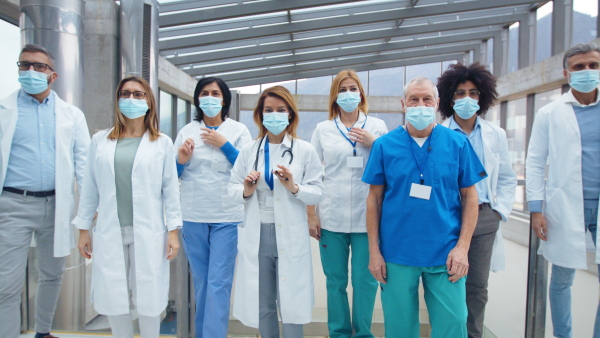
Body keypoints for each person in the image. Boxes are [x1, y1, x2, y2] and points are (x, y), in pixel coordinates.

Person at [363, 76, 487, 338]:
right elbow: (373, 200)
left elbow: (471, 197)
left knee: (453, 324)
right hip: (397, 253)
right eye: (414, 99)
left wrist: (463, 248)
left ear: (437, 103)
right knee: (399, 328)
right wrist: (374, 251)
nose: (420, 104)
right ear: (403, 104)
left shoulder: (457, 143)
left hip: (446, 252)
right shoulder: (384, 146)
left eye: (426, 99)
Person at [73, 76, 182, 338]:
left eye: (138, 94)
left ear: (149, 102)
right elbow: (90, 188)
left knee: (150, 295)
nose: (130, 99)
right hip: (111, 229)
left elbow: (170, 189)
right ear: (117, 99)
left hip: (149, 230)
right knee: (113, 295)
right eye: (125, 94)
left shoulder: (162, 143)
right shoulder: (100, 141)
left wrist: (173, 231)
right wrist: (83, 229)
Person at [0, 44, 90, 338]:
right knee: (7, 282)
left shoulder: (71, 114)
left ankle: (43, 332)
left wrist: (89, 213)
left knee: (52, 275)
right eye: (24, 65)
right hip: (13, 204)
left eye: (39, 67)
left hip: (56, 204)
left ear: (53, 76)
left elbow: (84, 164)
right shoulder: (4, 110)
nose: (30, 71)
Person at [228, 86, 325, 338]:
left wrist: (294, 187)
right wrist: (246, 189)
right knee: (264, 304)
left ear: (290, 114)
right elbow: (231, 189)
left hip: (290, 234)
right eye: (268, 110)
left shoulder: (304, 151)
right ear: (260, 114)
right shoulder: (249, 150)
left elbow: (317, 192)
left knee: (291, 303)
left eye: (280, 110)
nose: (274, 115)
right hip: (257, 235)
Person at [526, 42, 600, 338]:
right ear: (566, 72)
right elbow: (534, 161)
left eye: (593, 65)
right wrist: (535, 210)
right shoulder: (550, 112)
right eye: (580, 66)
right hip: (566, 205)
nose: (587, 71)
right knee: (561, 279)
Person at [437, 63, 517, 338]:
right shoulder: (439, 134)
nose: (466, 99)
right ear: (450, 98)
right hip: (448, 216)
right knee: (447, 282)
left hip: (484, 218)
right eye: (460, 93)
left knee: (477, 287)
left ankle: (473, 334)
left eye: (472, 93)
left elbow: (507, 177)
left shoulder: (496, 135)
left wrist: (499, 212)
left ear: (482, 97)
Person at [308, 69, 387, 337]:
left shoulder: (377, 126)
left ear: (361, 94)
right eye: (343, 89)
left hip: (368, 219)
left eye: (353, 89)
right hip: (331, 216)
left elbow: (391, 166)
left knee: (365, 281)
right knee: (336, 281)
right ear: (334, 96)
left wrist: (373, 143)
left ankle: (363, 333)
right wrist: (311, 214)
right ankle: (339, 333)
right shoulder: (323, 129)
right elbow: (312, 173)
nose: (348, 94)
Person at [174, 77, 251, 337]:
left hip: (227, 217)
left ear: (224, 99)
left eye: (215, 93)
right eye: (204, 93)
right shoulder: (186, 131)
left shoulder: (238, 131)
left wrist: (224, 145)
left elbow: (248, 169)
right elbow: (171, 174)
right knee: (203, 282)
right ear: (197, 99)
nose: (210, 98)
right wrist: (181, 160)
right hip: (193, 215)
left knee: (219, 281)